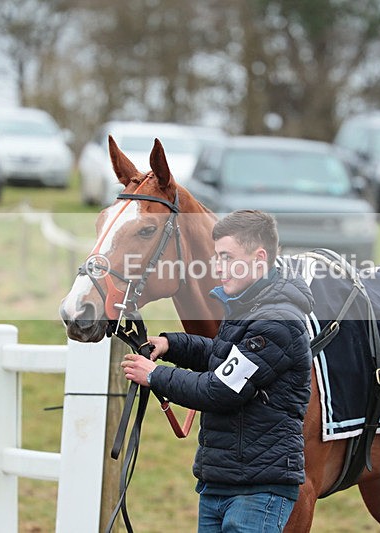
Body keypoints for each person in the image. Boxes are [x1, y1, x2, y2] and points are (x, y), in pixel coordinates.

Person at [121, 209, 314, 532]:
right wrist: (173, 345)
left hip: (258, 490)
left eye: (226, 258)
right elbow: (224, 355)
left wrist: (154, 375)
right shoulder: (249, 307)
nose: (218, 268)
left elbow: (220, 389)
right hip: (222, 482)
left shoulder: (277, 322)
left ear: (259, 258)